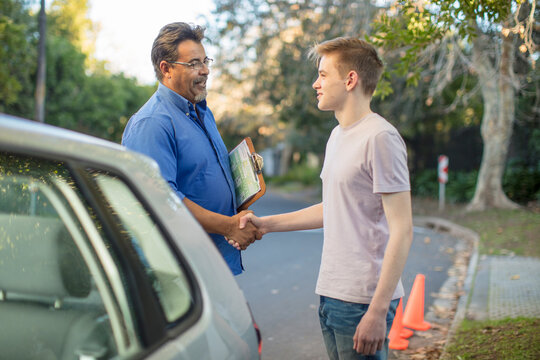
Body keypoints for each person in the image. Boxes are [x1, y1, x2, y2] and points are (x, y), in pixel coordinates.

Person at [236, 37, 413, 359]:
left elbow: (403, 229)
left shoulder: (381, 138)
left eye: (323, 75)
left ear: (350, 80)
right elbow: (335, 209)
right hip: (332, 291)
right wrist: (265, 224)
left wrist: (377, 310)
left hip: (364, 299)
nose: (315, 84)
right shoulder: (337, 136)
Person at [122, 22, 260, 276]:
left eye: (206, 61)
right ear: (166, 69)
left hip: (214, 261)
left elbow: (205, 175)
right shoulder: (152, 123)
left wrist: (245, 184)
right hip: (179, 270)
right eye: (194, 63)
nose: (205, 70)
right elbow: (162, 199)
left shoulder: (202, 112)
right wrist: (228, 226)